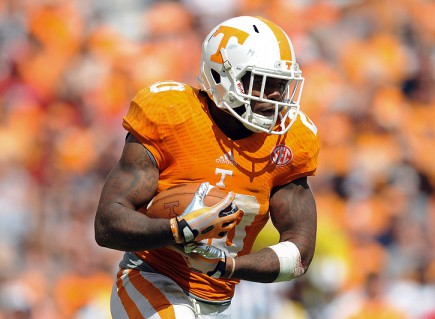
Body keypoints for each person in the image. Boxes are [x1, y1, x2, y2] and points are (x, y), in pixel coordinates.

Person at [94, 15, 320, 319]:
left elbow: (299, 253)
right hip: (149, 277)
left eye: (280, 84)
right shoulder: (171, 113)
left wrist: (231, 267)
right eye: (261, 82)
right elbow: (108, 225)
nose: (275, 95)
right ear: (221, 75)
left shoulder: (288, 142)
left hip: (220, 301)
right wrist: (179, 230)